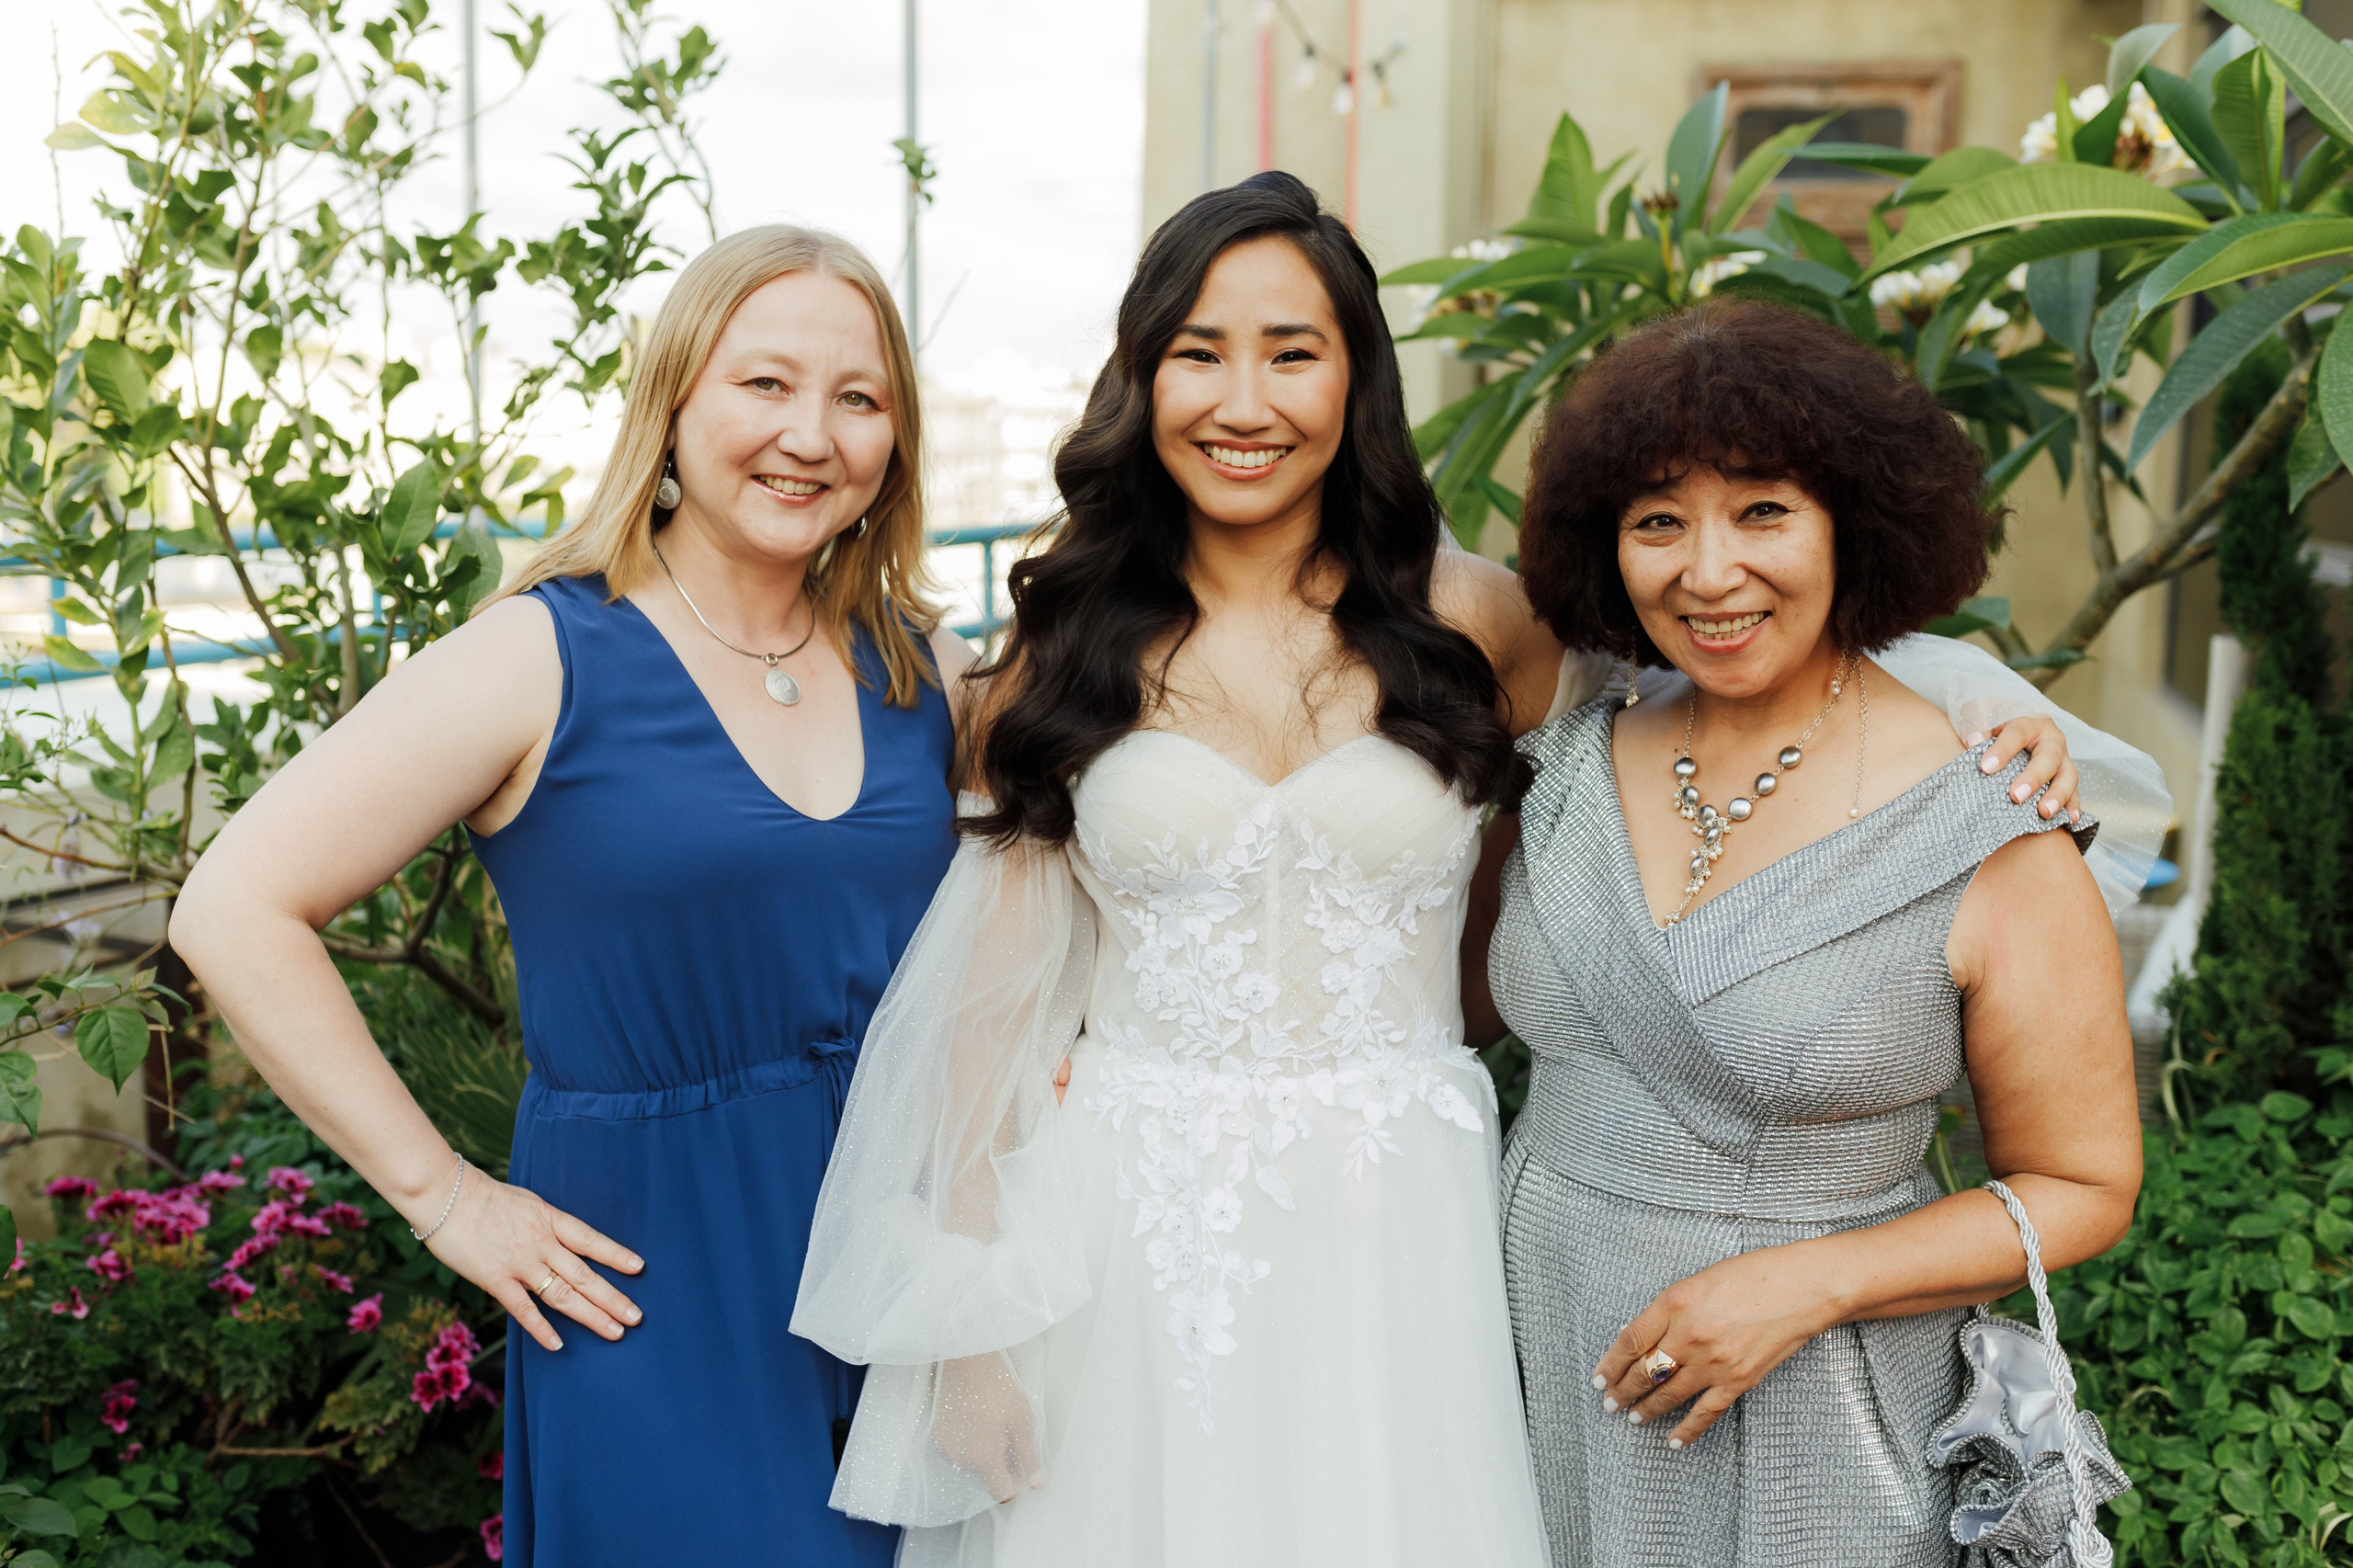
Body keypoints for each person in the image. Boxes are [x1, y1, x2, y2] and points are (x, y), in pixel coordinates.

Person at [790, 174, 2096, 1568]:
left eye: (1294, 352)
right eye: (1198, 353)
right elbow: (987, 1012)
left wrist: (1976, 707)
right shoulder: (1058, 647)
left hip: (1398, 1219)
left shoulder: (1484, 619)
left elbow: (1745, 667)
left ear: (1358, 378)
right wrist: (977, 1337)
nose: (1247, 401)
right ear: (1141, 379)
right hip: (1124, 1220)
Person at [171, 224, 972, 1566]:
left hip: (902, 1274)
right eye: (764, 383)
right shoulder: (541, 653)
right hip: (652, 1290)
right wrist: (443, 1197)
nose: (811, 435)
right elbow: (233, 904)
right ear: (672, 400)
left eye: (860, 398)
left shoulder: (928, 666)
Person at [1490, 297, 2151, 1567]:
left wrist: (1807, 1281)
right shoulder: (1569, 752)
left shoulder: (1993, 827)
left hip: (1811, 1412)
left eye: (1764, 510)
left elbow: (2084, 1184)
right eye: (1657, 521)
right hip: (1531, 1358)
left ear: (1855, 520)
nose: (1709, 568)